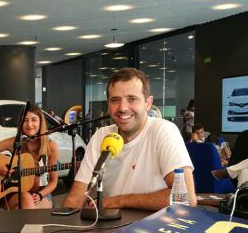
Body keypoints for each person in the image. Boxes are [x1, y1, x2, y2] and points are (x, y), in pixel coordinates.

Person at [63, 68, 196, 210]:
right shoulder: (101, 136)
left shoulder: (164, 131)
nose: (123, 108)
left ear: (148, 103)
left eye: (132, 99)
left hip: (155, 228)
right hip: (110, 228)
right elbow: (76, 198)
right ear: (108, 105)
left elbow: (185, 198)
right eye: (115, 100)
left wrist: (118, 201)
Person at [0, 104, 59, 209]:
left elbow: (53, 182)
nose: (29, 124)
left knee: (32, 210)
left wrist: (41, 195)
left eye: (34, 120)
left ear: (41, 122)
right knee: (27, 201)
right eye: (25, 120)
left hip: (42, 193)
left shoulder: (51, 146)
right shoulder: (14, 142)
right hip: (16, 192)